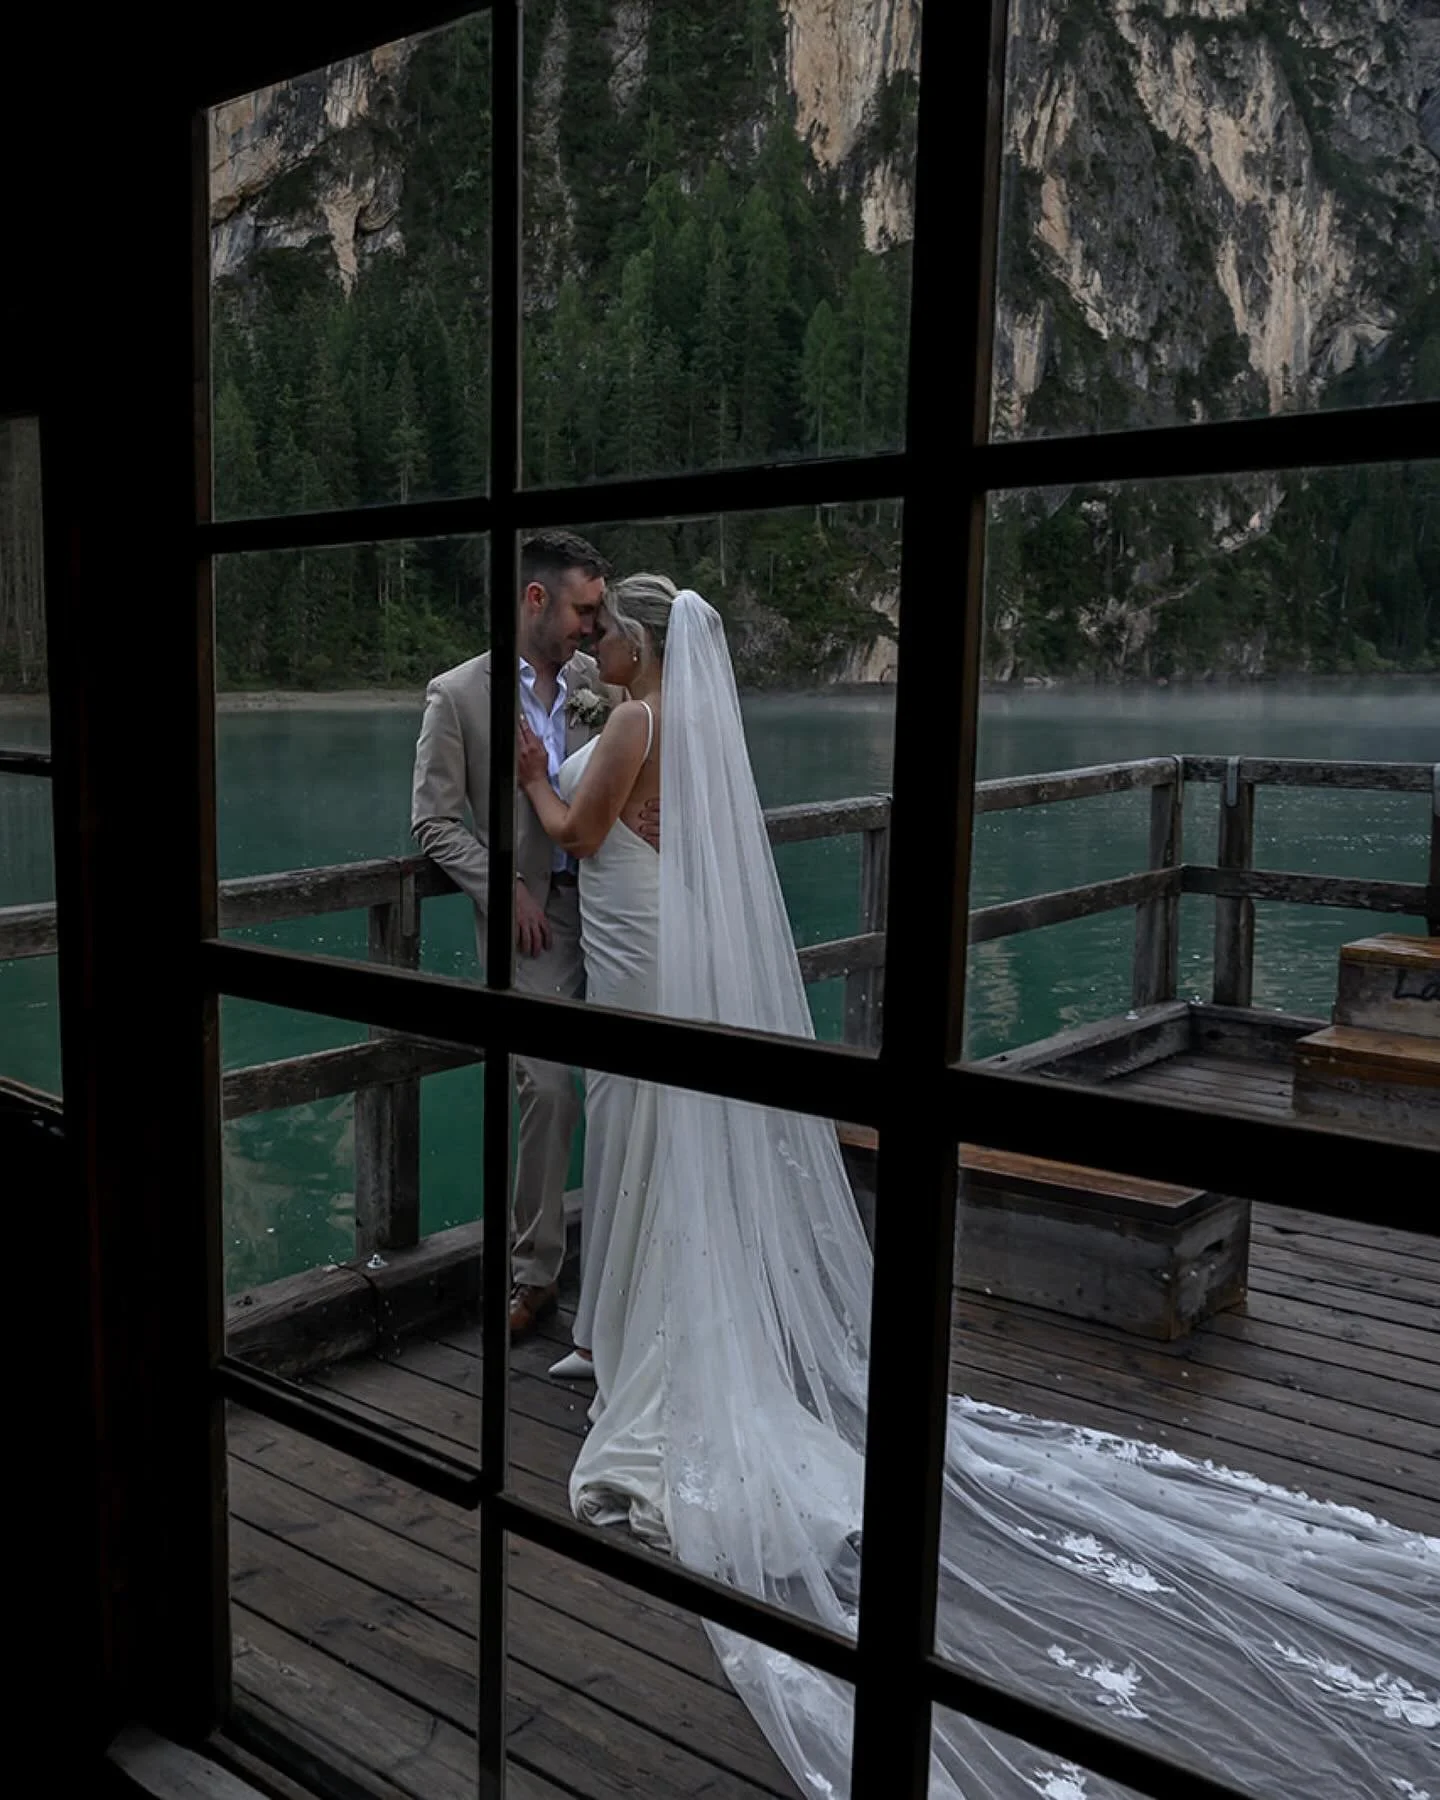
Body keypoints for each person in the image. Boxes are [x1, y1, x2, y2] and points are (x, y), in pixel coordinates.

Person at [508, 576, 1437, 1800]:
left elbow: (579, 835)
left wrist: (533, 765)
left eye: (603, 630)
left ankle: (644, 1352)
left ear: (636, 637)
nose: (592, 645)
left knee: (641, 1143)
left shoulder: (629, 722)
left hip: (634, 967)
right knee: (657, 1151)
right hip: (661, 954)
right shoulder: (688, 726)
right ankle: (635, 1336)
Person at [410, 530, 655, 1339]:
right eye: (584, 608)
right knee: (549, 1089)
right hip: (534, 927)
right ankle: (535, 1273)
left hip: (620, 910)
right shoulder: (458, 695)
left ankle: (643, 1265)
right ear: (536, 599)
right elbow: (434, 823)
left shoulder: (602, 681)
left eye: (600, 612)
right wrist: (504, 882)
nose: (594, 625)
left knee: (642, 1081)